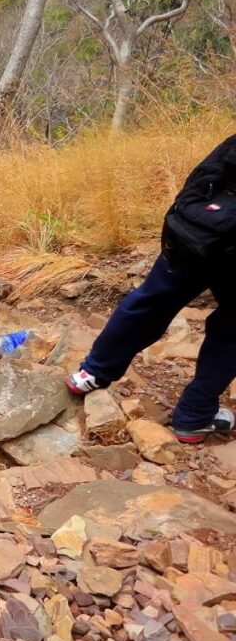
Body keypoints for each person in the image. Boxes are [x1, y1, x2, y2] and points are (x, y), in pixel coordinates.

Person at [66, 133, 236, 444]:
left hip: (193, 233)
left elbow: (206, 173)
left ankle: (92, 373)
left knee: (151, 301)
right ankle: (194, 417)